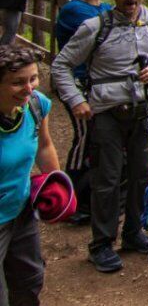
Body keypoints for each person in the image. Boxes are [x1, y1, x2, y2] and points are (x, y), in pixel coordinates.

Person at [49, 0, 148, 273]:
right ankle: (101, 244)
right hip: (107, 113)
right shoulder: (96, 26)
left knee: (141, 175)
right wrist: (77, 101)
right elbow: (61, 65)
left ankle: (133, 234)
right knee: (107, 179)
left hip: (144, 110)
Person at [51, 0, 112, 224]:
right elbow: (104, 33)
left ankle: (87, 200)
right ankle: (71, 200)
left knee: (96, 140)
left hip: (96, 84)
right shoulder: (75, 9)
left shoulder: (107, 8)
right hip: (76, 82)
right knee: (84, 138)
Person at [0, 44, 60, 305]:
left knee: (29, 281)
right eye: (17, 82)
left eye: (33, 78)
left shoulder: (36, 105)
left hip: (21, 211)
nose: (29, 88)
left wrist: (58, 187)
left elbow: (44, 146)